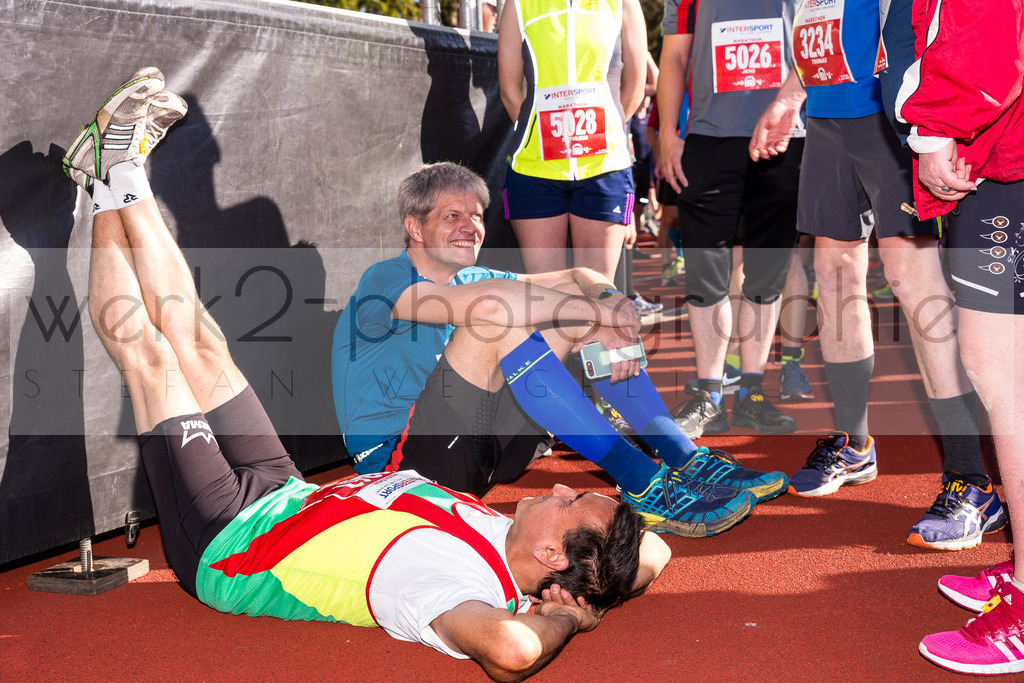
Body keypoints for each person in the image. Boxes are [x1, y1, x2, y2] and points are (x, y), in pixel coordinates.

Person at [63, 68, 672, 682]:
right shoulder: (517, 539)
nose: (564, 487)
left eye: (572, 502)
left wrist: (569, 620)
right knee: (201, 339)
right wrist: (591, 595)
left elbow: (513, 653)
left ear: (548, 554)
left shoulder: (454, 582)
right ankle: (108, 175)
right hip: (288, 491)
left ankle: (122, 167)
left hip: (231, 543)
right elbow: (654, 549)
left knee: (152, 358)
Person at [333, 161, 789, 537]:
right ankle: (642, 481)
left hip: (479, 450)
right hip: (401, 471)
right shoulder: (385, 279)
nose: (470, 227)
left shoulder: (472, 276)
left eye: (476, 216)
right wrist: (593, 313)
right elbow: (495, 305)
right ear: (414, 226)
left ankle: (682, 456)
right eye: (453, 216)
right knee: (503, 318)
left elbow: (580, 276)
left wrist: (608, 304)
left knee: (571, 312)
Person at [748, 0, 1001, 551]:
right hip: (827, 114)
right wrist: (792, 94)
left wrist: (936, 117)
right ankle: (854, 444)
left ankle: (970, 478)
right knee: (834, 277)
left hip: (894, 112)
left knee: (916, 284)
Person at [891, 0, 1023, 673]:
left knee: (1005, 378)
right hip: (1004, 151)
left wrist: (935, 126)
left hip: (1006, 155)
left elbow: (985, 30)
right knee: (1001, 371)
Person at [657, 0, 803, 438]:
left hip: (786, 140)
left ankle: (753, 394)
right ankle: (709, 396)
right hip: (708, 140)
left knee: (767, 275)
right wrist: (667, 131)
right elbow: (675, 55)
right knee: (706, 276)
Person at [497, 0, 647, 282]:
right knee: (548, 295)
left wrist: (600, 135)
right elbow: (509, 91)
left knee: (597, 294)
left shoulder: (623, 3)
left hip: (604, 167)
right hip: (534, 169)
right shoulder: (518, 5)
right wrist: (544, 137)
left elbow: (635, 88)